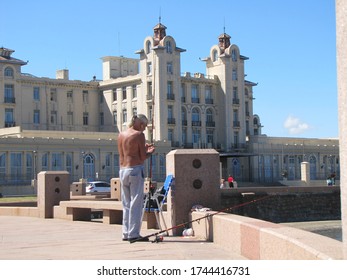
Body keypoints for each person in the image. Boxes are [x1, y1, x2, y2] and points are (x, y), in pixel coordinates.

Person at [118, 114, 155, 242]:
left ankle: (126, 232)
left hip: (123, 171)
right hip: (135, 170)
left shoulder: (121, 135)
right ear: (141, 124)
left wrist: (143, 150)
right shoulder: (139, 135)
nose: (144, 129)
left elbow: (128, 153)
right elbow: (142, 157)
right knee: (136, 203)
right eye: (144, 126)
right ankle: (134, 234)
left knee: (126, 203)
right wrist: (149, 151)